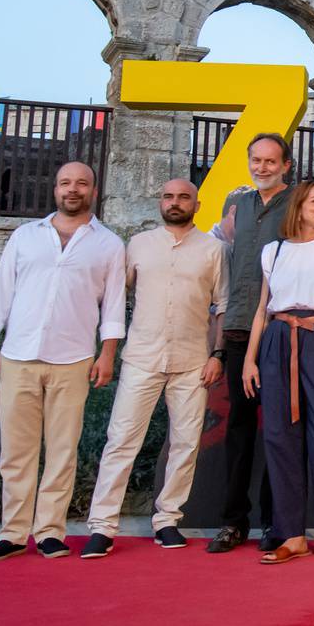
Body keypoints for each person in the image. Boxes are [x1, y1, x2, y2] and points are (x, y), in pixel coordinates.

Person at [0, 161, 126, 562]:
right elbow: (1, 290)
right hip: (18, 356)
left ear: (93, 190)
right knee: (16, 452)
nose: (71, 189)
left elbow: (112, 306)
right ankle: (13, 533)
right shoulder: (25, 236)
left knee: (62, 450)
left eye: (80, 183)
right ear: (55, 188)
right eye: (64, 183)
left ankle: (50, 532)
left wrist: (107, 354)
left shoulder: (108, 244)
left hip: (73, 358)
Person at [82, 178, 227, 556]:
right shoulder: (139, 245)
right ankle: (102, 525)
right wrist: (105, 348)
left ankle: (167, 520)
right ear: (160, 202)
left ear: (197, 204)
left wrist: (218, 354)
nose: (175, 202)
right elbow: (116, 295)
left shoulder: (214, 250)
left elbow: (223, 307)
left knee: (185, 444)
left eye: (183, 197)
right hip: (142, 358)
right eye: (168, 196)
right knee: (122, 440)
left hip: (193, 360)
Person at [241, 180, 314, 565]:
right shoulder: (273, 251)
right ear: (299, 206)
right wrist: (249, 359)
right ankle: (291, 535)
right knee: (280, 436)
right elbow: (263, 308)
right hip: (278, 339)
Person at [208, 133, 293, 554]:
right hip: (240, 328)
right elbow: (222, 263)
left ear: (286, 165)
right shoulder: (236, 205)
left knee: (277, 432)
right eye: (255, 160)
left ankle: (272, 522)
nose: (262, 167)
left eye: (270, 161)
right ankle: (232, 522)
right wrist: (218, 340)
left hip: (280, 330)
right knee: (239, 431)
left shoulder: (297, 205)